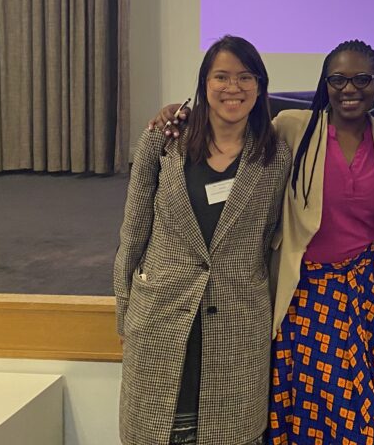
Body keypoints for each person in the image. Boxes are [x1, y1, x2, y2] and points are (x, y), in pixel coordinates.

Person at [114, 35, 290, 445]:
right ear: (204, 83)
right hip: (160, 315)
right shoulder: (163, 142)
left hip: (237, 323)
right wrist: (125, 307)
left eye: (246, 77)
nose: (234, 88)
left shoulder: (276, 154)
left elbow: (271, 238)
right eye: (222, 77)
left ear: (261, 86)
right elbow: (134, 230)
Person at [266, 40, 374, 445]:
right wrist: (178, 114)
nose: (350, 89)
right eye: (338, 79)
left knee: (365, 405)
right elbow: (229, 128)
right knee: (314, 405)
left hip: (370, 292)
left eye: (362, 79)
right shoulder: (292, 127)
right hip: (308, 294)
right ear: (325, 83)